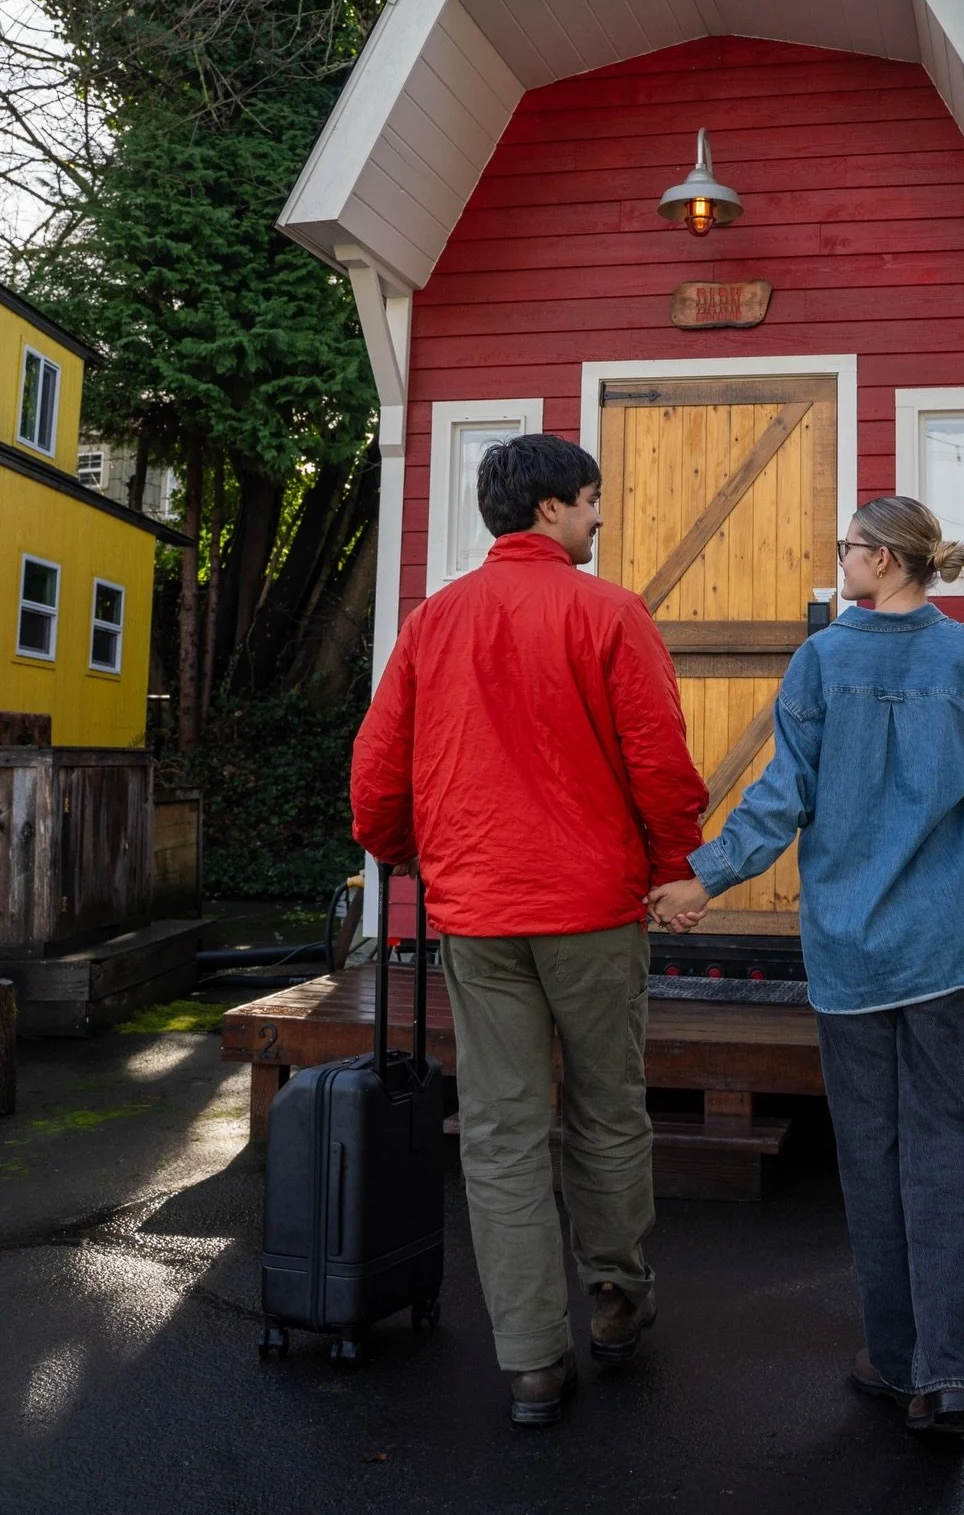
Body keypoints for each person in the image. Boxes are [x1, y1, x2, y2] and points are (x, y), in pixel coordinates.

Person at [647, 495, 964, 1439]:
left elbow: (779, 797)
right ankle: (951, 1374)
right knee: (952, 1151)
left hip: (851, 954)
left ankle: (898, 1357)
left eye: (845, 550)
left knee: (871, 1152)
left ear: (878, 558)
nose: (839, 563)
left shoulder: (823, 660)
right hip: (949, 947)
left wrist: (699, 878)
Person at [351, 434, 708, 1427]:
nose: (600, 516)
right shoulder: (609, 611)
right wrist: (675, 860)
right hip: (593, 907)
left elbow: (377, 769)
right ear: (550, 508)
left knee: (503, 1132)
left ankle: (531, 1362)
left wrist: (400, 846)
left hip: (477, 908)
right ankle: (617, 1302)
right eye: (592, 499)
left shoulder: (436, 621)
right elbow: (659, 760)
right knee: (607, 1107)